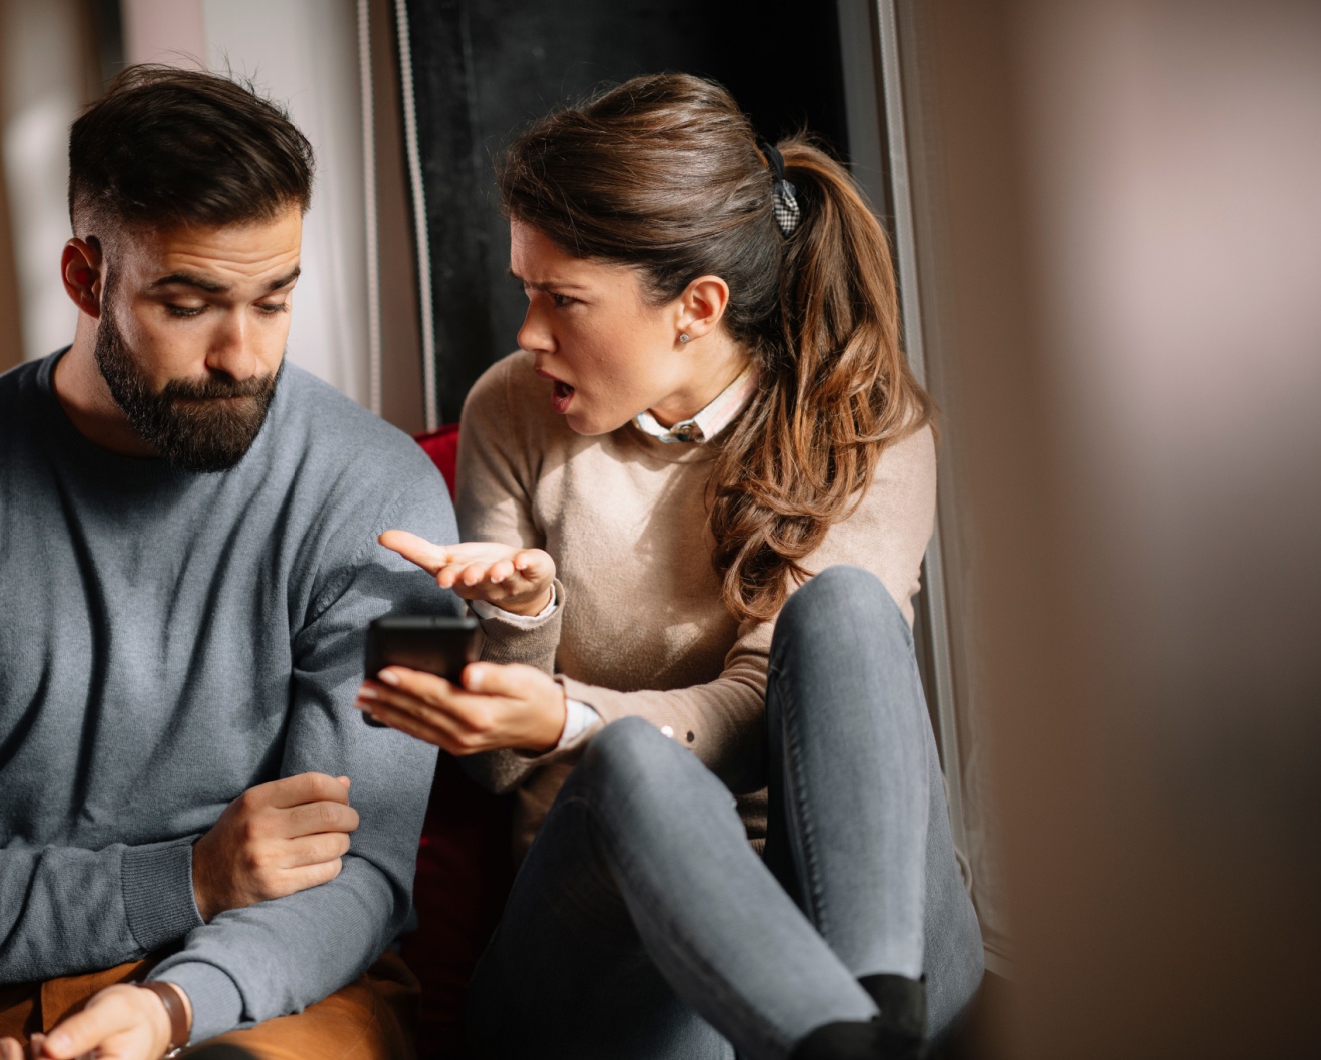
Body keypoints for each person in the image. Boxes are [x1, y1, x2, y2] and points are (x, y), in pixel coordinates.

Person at [0, 65, 456, 1060]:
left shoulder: (389, 494)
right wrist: (188, 874)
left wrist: (172, 1006)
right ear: (85, 278)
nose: (242, 354)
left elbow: (365, 869)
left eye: (273, 300)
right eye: (189, 304)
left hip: (279, 985)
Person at [356, 73, 985, 1060]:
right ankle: (843, 1041)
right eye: (528, 292)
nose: (528, 333)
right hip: (605, 947)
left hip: (856, 921)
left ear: (697, 304)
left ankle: (868, 1018)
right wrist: (522, 621)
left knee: (849, 613)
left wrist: (569, 711)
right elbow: (492, 765)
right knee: (632, 761)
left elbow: (753, 713)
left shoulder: (870, 426)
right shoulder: (512, 411)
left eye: (562, 300)